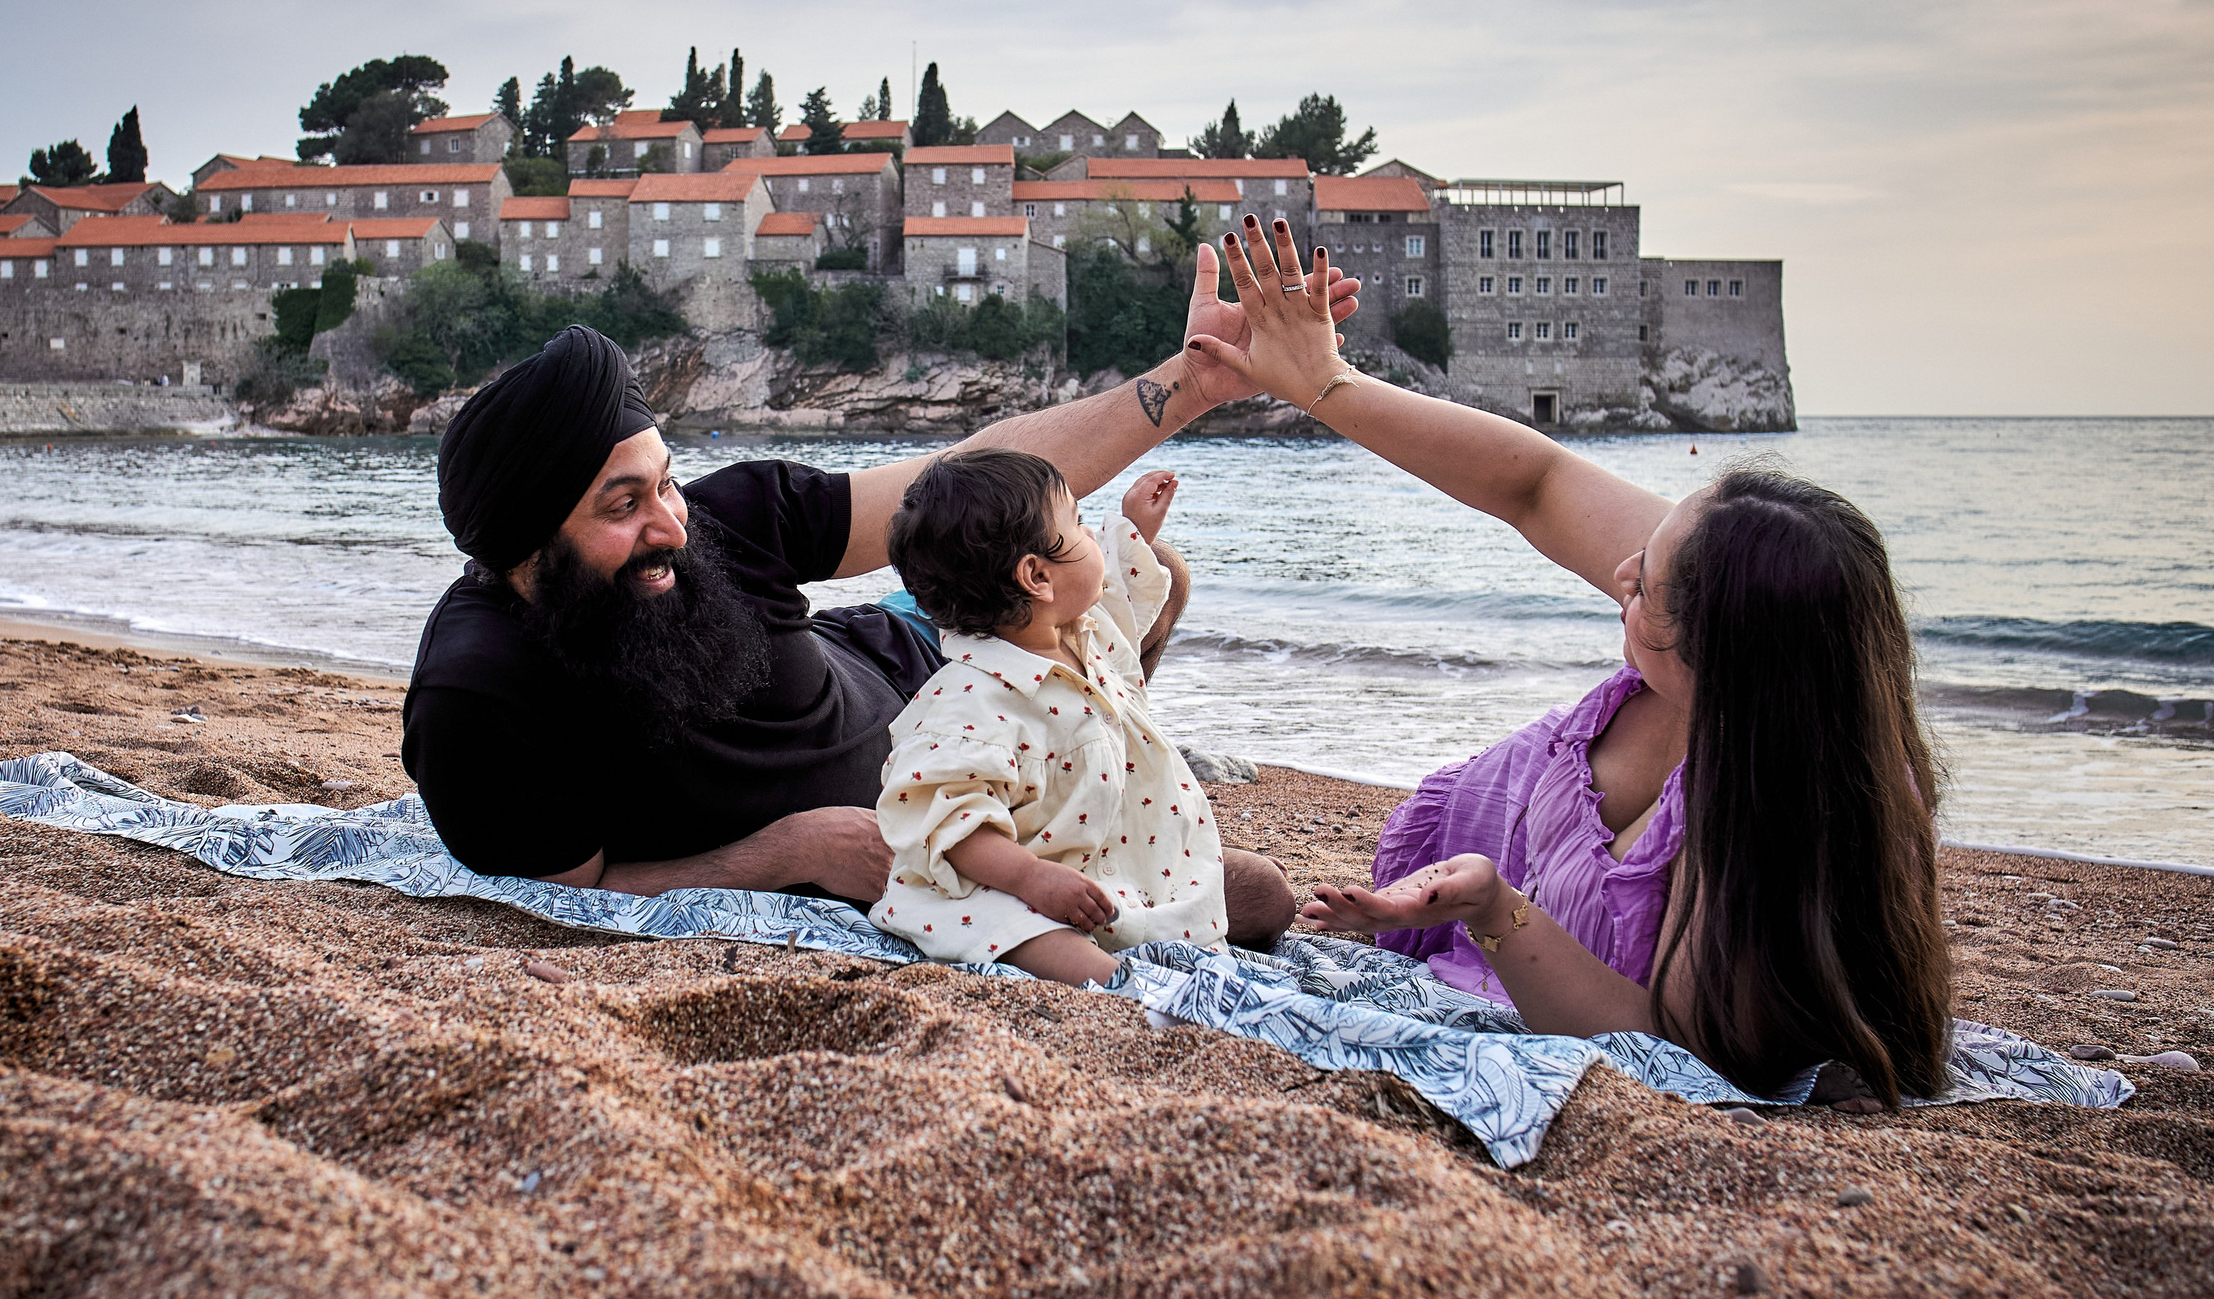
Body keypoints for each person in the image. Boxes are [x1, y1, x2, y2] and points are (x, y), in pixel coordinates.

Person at [1185, 215, 1953, 1109]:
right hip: (1428, 905)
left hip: (1477, 930)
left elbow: (1672, 1055)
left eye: (1645, 589)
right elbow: (1535, 484)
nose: (1621, 573)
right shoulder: (1740, 590)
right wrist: (1325, 384)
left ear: (1729, 656)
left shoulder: (1794, 802)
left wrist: (1492, 907)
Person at [405, 255, 1357, 907]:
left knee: (1154, 580)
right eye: (624, 508)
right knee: (1256, 890)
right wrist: (785, 856)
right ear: (528, 543)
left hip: (910, 652)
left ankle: (1103, 713)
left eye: (666, 482)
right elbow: (569, 890)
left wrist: (1184, 388)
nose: (671, 525)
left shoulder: (721, 514)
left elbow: (958, 481)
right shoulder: (477, 699)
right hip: (951, 806)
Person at [868, 452, 1292, 983]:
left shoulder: (1082, 636)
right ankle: (1123, 990)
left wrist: (1134, 526)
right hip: (1009, 885)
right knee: (1041, 940)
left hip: (1118, 870)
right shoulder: (971, 700)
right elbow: (951, 821)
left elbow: (1112, 592)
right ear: (1037, 577)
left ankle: (1139, 954)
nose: (1092, 533)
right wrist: (1031, 880)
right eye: (1078, 523)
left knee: (1266, 901)